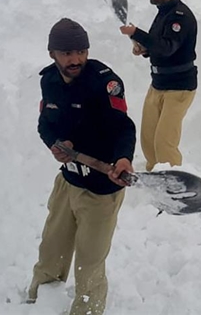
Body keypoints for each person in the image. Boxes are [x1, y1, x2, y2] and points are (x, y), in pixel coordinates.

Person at [28, 18, 135, 315]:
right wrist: (55, 144)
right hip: (68, 182)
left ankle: (86, 310)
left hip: (101, 189)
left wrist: (124, 157)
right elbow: (44, 123)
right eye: (66, 53)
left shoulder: (104, 83)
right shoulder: (48, 80)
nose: (75, 60)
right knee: (51, 251)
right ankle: (39, 305)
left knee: (89, 263)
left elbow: (123, 127)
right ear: (53, 54)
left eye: (80, 51)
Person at [119, 0, 197, 171]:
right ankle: (156, 181)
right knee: (148, 139)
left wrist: (137, 33)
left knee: (164, 143)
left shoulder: (180, 16)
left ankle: (175, 186)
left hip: (179, 87)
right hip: (158, 84)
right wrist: (145, 49)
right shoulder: (163, 12)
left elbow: (167, 47)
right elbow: (158, 45)